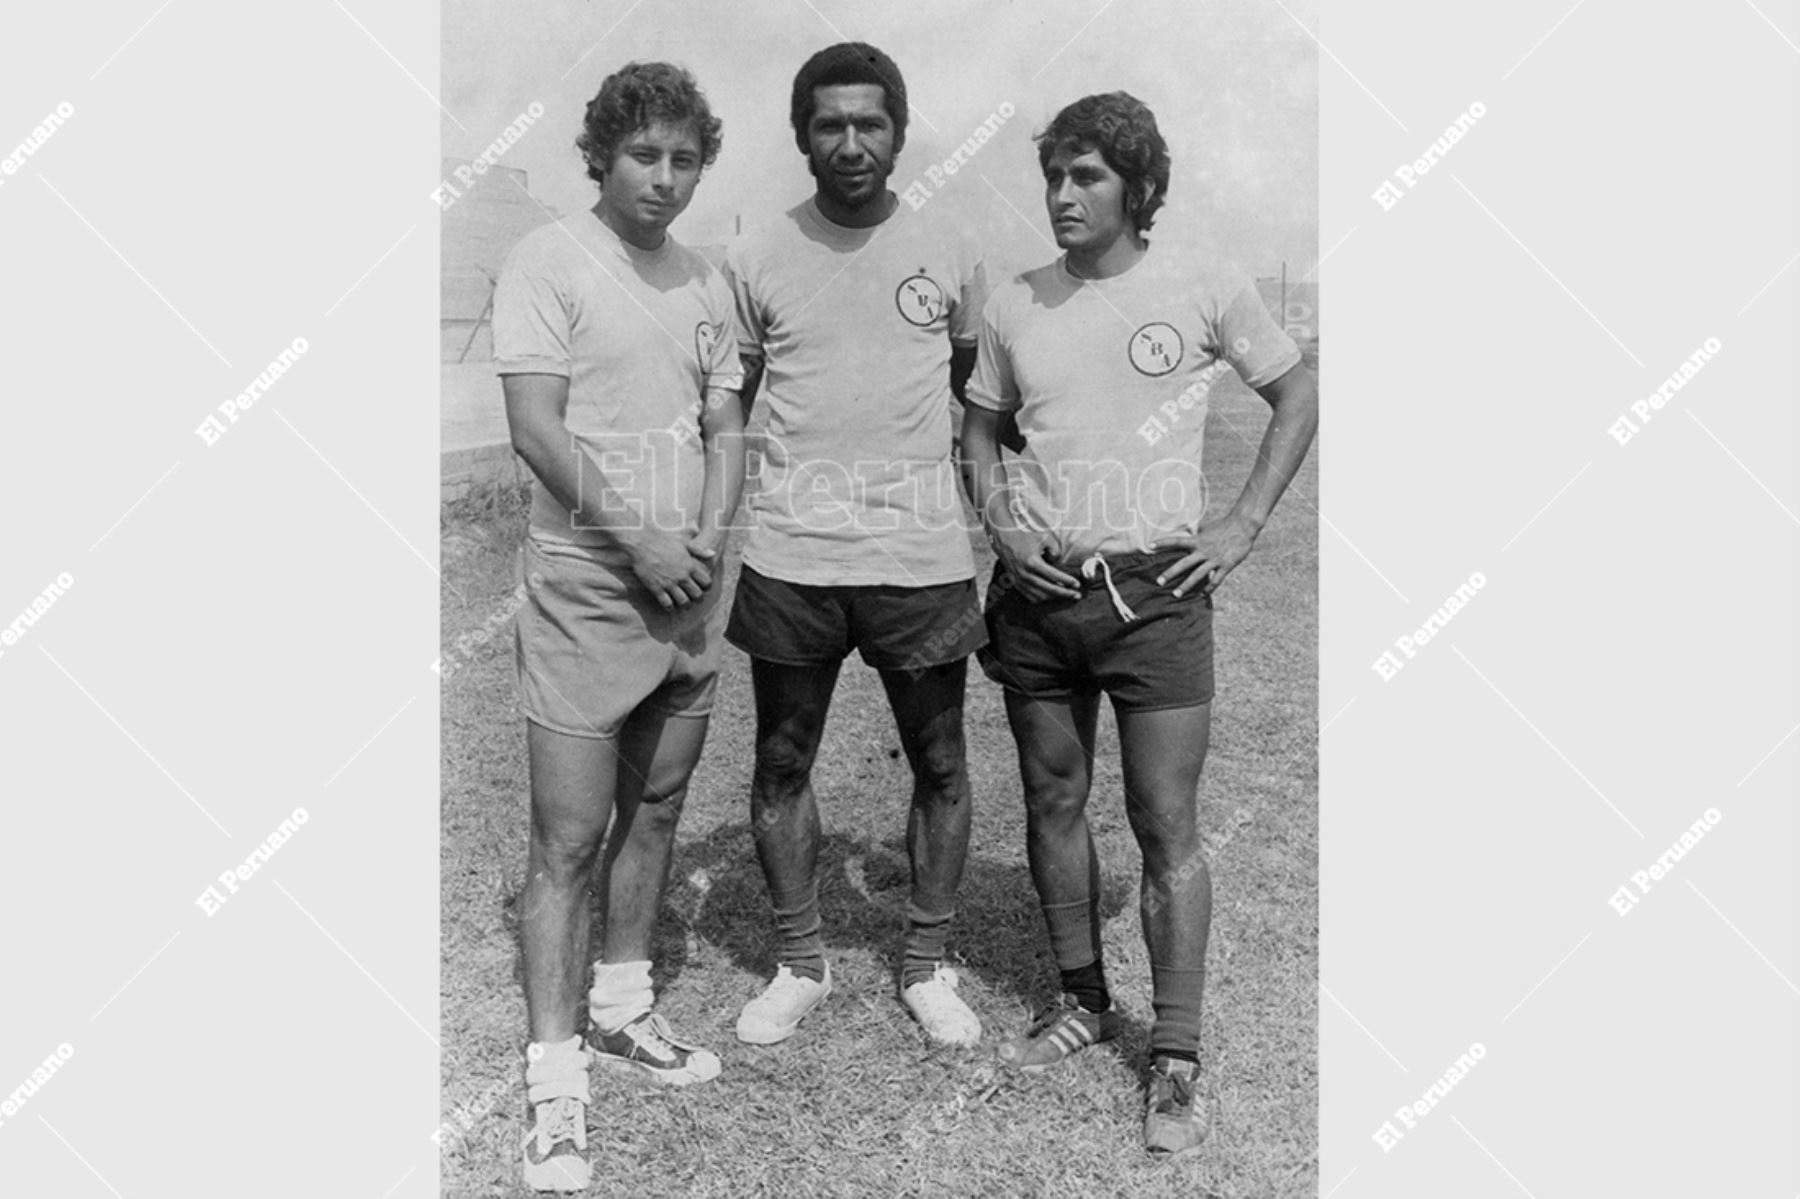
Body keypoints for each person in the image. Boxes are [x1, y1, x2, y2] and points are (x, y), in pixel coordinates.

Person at [960, 91, 1318, 1156]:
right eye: (1054, 176)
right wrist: (997, 521)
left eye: (1087, 177)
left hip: (1155, 596)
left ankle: (1175, 1054)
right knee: (1052, 797)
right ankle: (1079, 998)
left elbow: (1297, 392)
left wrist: (1244, 520)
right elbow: (977, 429)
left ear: (1137, 186)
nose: (1063, 196)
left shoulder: (1202, 282)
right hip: (1039, 599)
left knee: (1165, 822)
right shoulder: (1017, 303)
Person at [492, 61, 747, 1192]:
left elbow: (727, 422)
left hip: (692, 584)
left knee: (656, 808)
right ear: (600, 156)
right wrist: (639, 540)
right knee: (565, 840)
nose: (666, 176)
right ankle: (554, 1083)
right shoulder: (548, 258)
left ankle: (624, 1007)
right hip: (587, 583)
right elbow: (535, 430)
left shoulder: (705, 278)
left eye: (686, 157)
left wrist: (701, 532)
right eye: (645, 154)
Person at [724, 42, 988, 1048]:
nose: (849, 143)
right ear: (802, 136)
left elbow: (977, 398)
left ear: (900, 130)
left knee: (942, 762)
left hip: (919, 555)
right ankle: (800, 961)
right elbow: (728, 408)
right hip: (793, 556)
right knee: (782, 759)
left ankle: (926, 964)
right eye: (828, 124)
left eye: (868, 123)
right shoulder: (758, 255)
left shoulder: (952, 240)